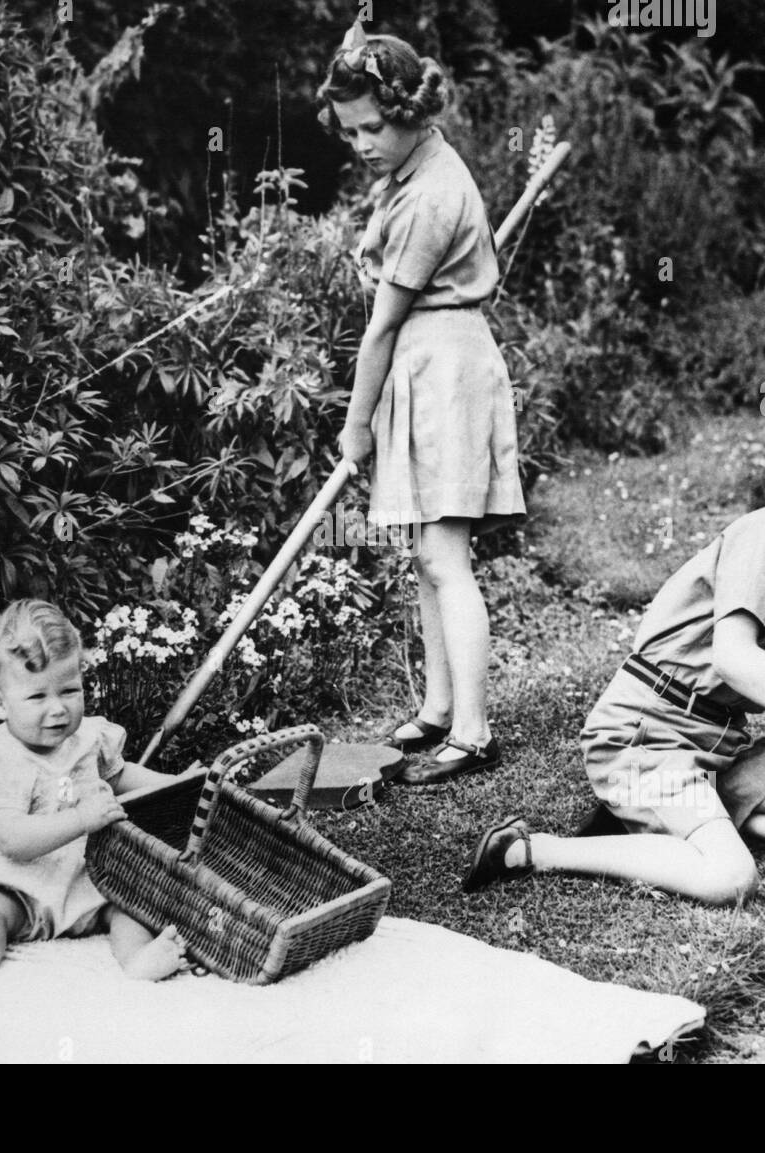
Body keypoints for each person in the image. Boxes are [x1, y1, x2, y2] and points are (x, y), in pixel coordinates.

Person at [464, 434, 765, 903]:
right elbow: (733, 657)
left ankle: (691, 817)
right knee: (729, 878)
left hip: (721, 745)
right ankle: (533, 850)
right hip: (648, 736)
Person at [317, 21, 525, 785]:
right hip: (428, 362)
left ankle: (472, 733)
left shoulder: (432, 192)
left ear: (411, 111)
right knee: (425, 556)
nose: (363, 142)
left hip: (444, 369)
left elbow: (380, 329)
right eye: (351, 130)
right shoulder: (413, 172)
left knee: (445, 555)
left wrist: (355, 424)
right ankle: (439, 707)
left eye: (374, 125)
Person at [0, 599, 189, 992]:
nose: (57, 710)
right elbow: (13, 840)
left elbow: (119, 775)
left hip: (90, 876)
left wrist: (174, 783)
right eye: (37, 698)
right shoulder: (3, 759)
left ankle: (137, 958)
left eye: (69, 691)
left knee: (131, 901)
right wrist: (82, 819)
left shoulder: (88, 738)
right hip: (23, 883)